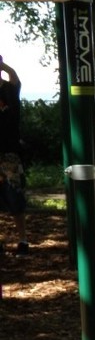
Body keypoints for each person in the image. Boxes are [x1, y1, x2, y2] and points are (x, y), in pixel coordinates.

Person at [0, 55, 28, 256]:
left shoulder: (9, 91)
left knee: (15, 197)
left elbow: (14, 76)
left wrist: (3, 65)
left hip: (9, 155)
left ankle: (23, 240)